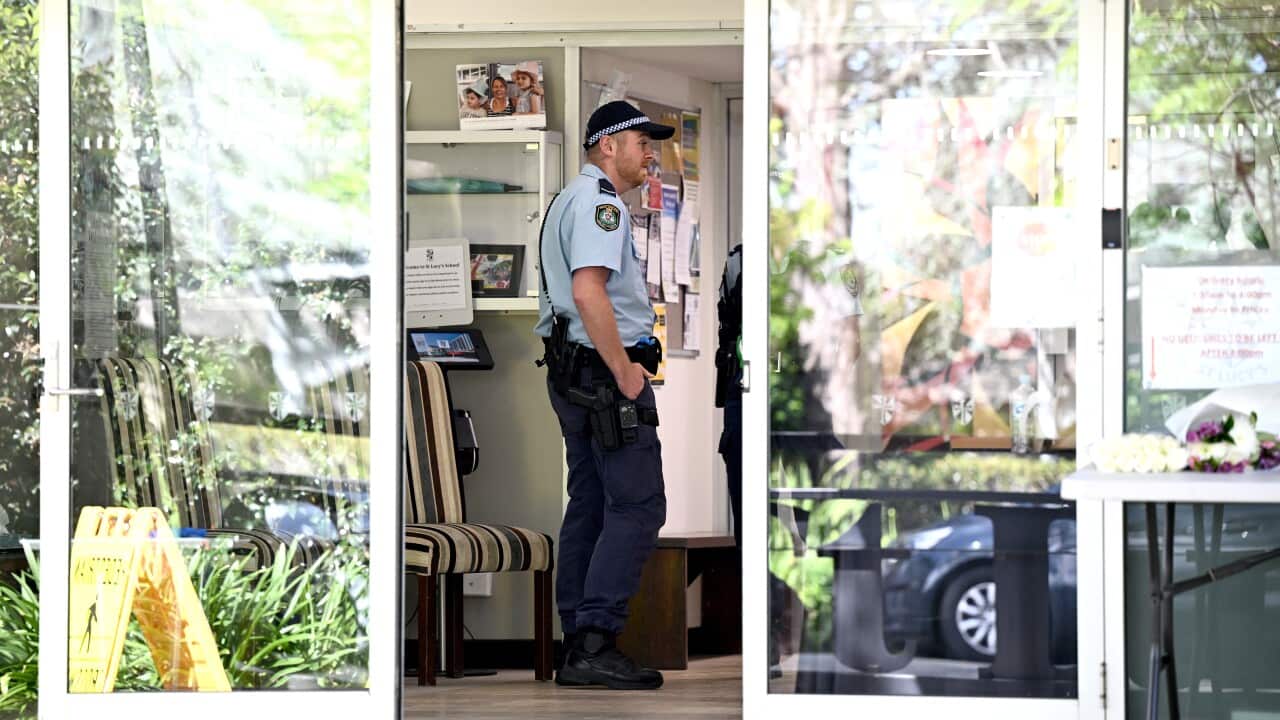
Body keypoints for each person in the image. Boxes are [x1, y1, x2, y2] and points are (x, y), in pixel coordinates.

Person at [534, 100, 675, 691]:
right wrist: (624, 372)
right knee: (640, 506)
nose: (652, 154)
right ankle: (595, 639)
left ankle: (577, 643)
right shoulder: (600, 206)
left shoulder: (569, 200)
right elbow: (589, 291)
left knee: (591, 503)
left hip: (573, 375)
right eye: (643, 142)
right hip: (602, 377)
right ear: (607, 146)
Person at [714, 243, 743, 549]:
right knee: (747, 517)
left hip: (802, 401)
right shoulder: (739, 260)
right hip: (744, 396)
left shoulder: (826, 261)